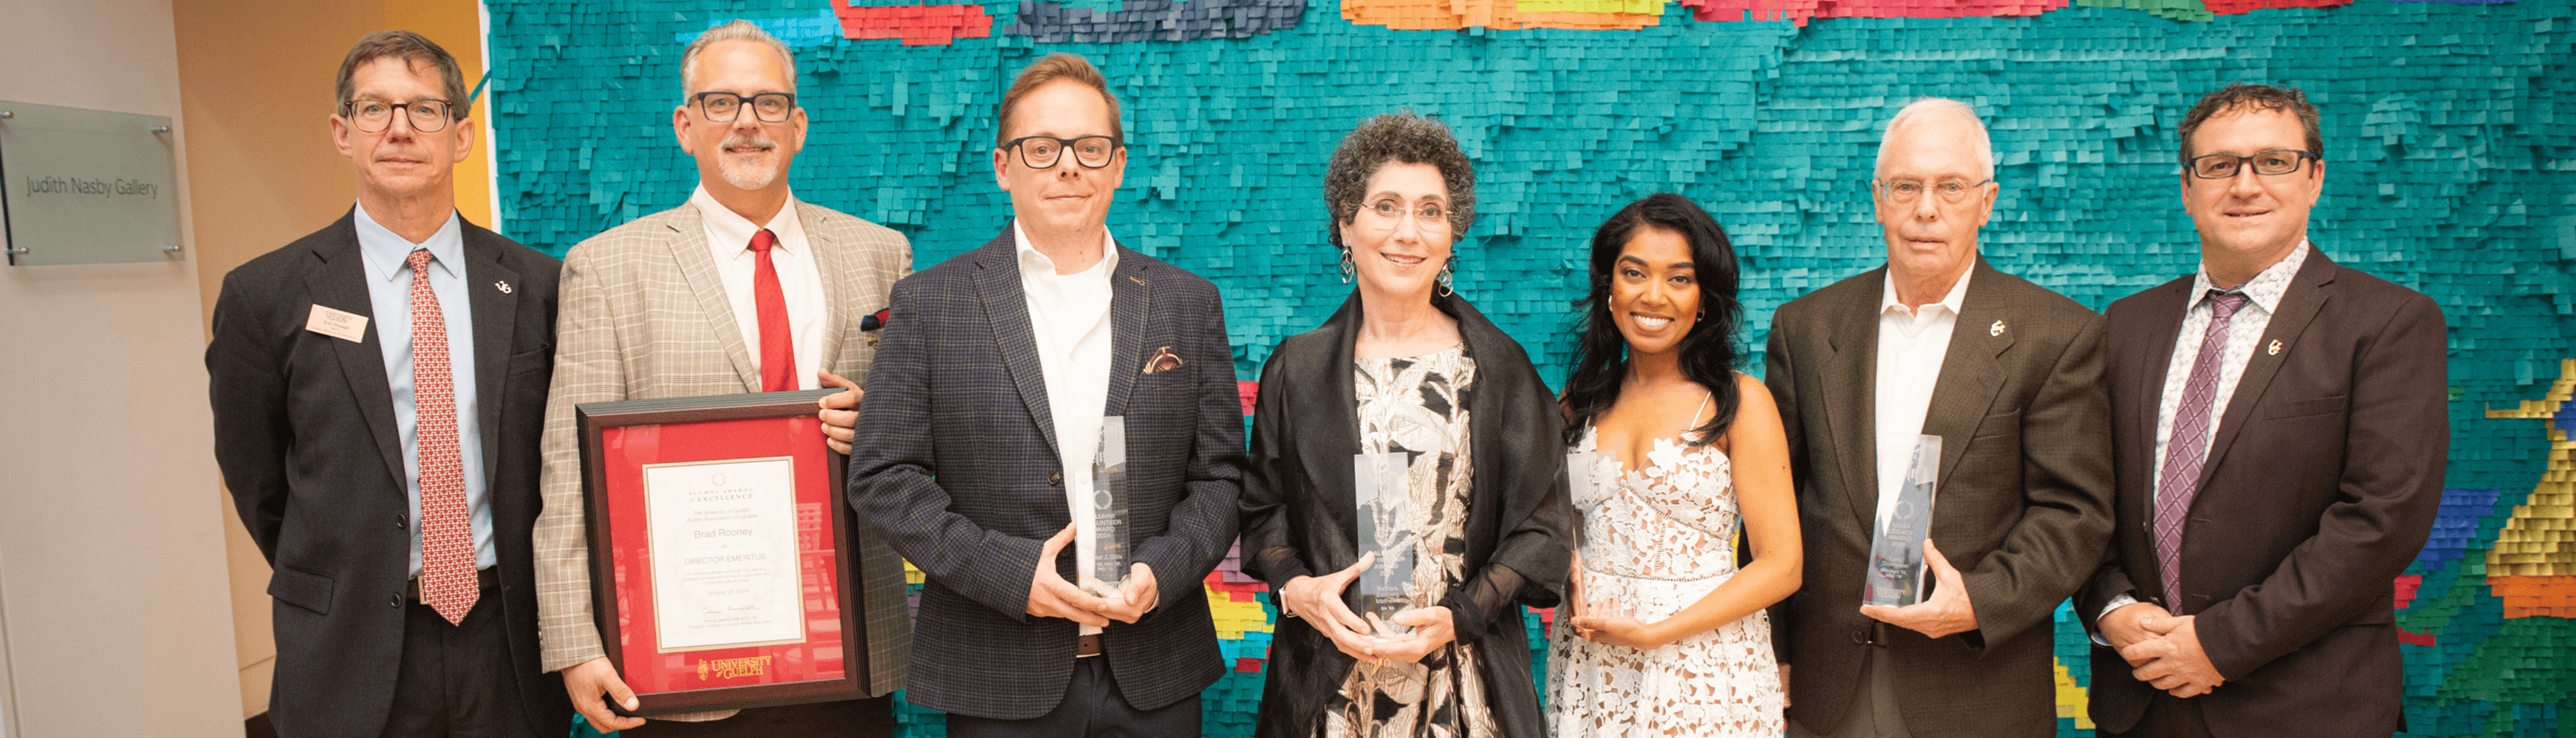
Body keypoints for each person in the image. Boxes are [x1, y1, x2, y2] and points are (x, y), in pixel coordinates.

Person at [529, 20, 913, 735]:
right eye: (721, 103)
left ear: (797, 125)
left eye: (769, 104)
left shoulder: (880, 254)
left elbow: (921, 431)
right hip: (685, 659)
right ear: (685, 125)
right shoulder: (609, 268)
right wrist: (576, 640)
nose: (747, 123)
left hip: (848, 645)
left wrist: (881, 424)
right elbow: (568, 467)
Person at [845, 52, 1246, 737]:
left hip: (1156, 673)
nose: (1068, 166)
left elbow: (1222, 479)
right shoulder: (930, 304)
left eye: (1090, 148)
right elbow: (884, 477)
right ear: (1004, 166)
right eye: (1042, 148)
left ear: (1118, 165)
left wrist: (1160, 568)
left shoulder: (1187, 304)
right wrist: (1010, 572)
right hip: (998, 678)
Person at [207, 30, 574, 737]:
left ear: (462, 134)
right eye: (375, 109)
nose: (400, 129)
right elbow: (258, 477)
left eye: (425, 109)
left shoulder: (538, 285)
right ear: (343, 133)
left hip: (506, 639)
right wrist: (348, 559)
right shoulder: (267, 295)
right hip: (349, 639)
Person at [2076, 83, 2447, 738]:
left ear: (2315, 178)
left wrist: (2218, 641)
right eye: (2218, 165)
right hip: (2144, 699)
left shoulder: (2387, 323)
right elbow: (2084, 495)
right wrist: (2110, 604)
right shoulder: (2127, 325)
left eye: (2273, 161)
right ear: (2187, 189)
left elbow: (2381, 520)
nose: (2244, 184)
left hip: (2305, 704)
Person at [1762, 97, 2115, 738]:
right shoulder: (1806, 330)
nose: (1927, 208)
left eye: (1951, 187)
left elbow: (2075, 513)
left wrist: (1981, 600)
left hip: (1975, 689)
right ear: (1878, 199)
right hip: (1824, 688)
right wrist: (1773, 646)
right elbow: (1772, 505)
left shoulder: (2057, 336)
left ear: (1986, 201)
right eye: (1906, 187)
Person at [1238, 111, 1572, 738]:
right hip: (1329, 690)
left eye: (1430, 211)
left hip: (1462, 686)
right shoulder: (1297, 368)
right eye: (1385, 207)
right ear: (1346, 225)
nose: (1408, 232)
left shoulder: (1497, 368)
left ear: (1452, 235)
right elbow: (1262, 516)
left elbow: (1543, 529)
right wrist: (1296, 588)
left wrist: (1465, 614)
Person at [1548, 193, 1801, 737]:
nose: (1653, 296)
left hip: (1705, 664)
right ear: (1609, 289)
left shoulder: (1740, 403)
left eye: (1679, 279)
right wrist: (1565, 566)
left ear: (1704, 299)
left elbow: (1783, 565)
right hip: (1595, 663)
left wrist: (1660, 631)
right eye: (1634, 273)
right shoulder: (1580, 400)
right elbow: (1555, 520)